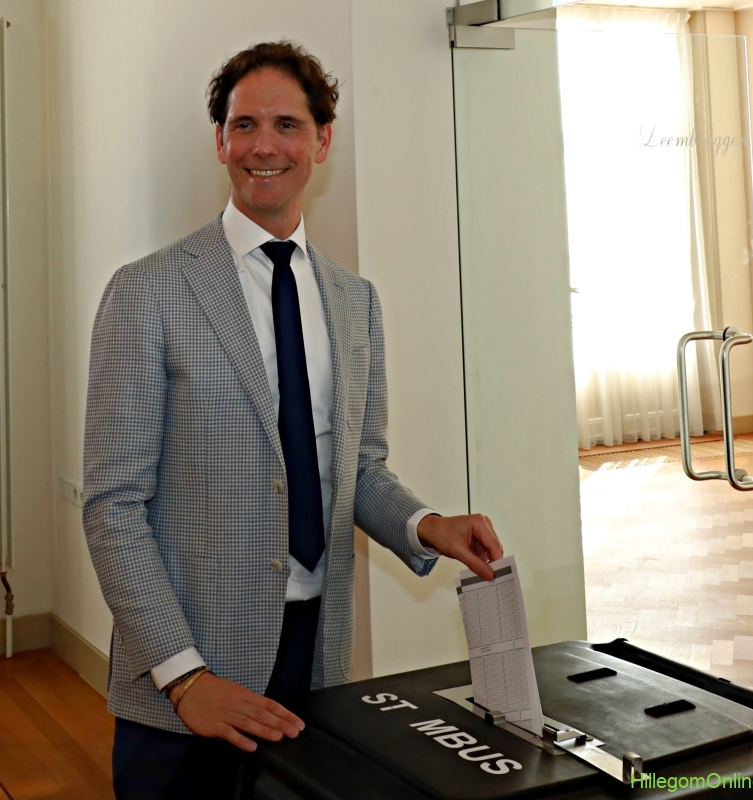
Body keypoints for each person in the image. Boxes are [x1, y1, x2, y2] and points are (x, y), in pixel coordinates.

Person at [83, 41, 503, 799]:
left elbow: (357, 467)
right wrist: (184, 677)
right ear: (220, 141)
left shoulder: (355, 301)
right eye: (244, 125)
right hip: (188, 674)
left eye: (286, 125)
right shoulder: (147, 293)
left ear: (322, 140)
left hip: (314, 658)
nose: (264, 146)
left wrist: (427, 526)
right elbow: (113, 507)